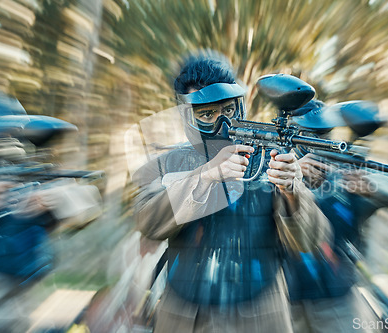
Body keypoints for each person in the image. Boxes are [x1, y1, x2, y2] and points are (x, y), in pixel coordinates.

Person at [133, 51, 331, 332]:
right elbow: (147, 222)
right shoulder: (169, 163)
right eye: (207, 114)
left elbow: (309, 241)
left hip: (260, 314)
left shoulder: (269, 157)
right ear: (187, 116)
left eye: (228, 110)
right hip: (185, 315)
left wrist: (290, 190)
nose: (222, 123)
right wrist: (206, 176)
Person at [282, 99, 388, 333]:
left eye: (324, 133)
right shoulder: (271, 170)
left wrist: (371, 186)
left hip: (339, 298)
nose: (320, 141)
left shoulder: (348, 172)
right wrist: (292, 175)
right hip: (284, 300)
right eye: (310, 134)